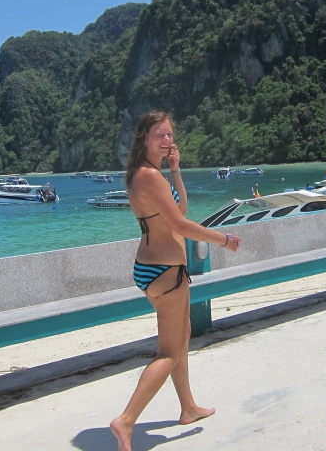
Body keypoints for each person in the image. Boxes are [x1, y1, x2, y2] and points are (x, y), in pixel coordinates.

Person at [110, 110, 241, 451]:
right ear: (144, 138)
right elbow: (181, 226)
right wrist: (223, 240)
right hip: (166, 272)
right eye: (160, 135)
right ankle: (126, 420)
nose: (167, 140)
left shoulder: (145, 173)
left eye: (170, 134)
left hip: (152, 269)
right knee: (169, 352)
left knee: (180, 339)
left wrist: (175, 170)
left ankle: (188, 407)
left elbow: (179, 210)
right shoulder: (148, 176)